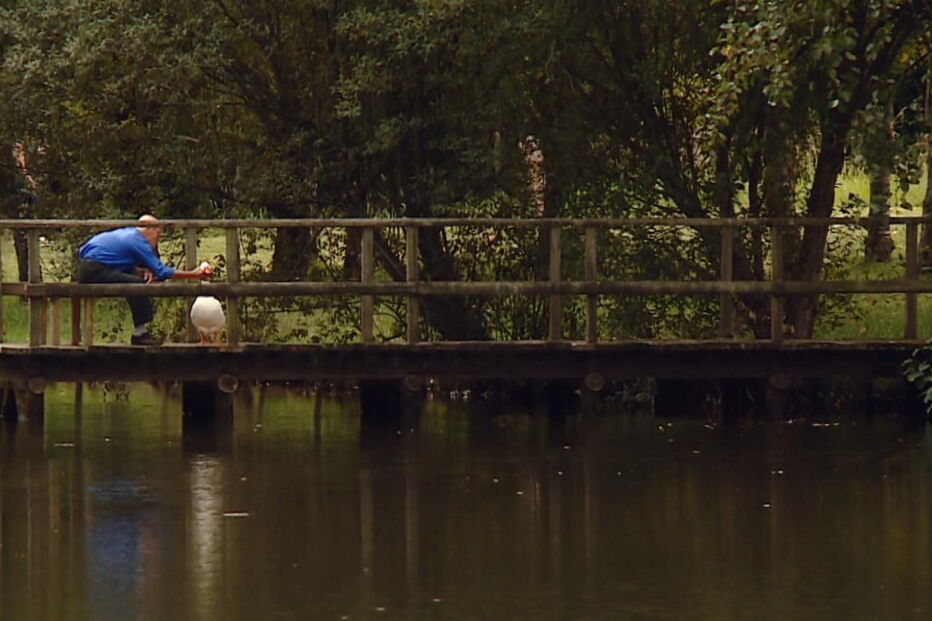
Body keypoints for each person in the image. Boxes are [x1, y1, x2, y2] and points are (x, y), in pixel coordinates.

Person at [76, 214, 210, 345]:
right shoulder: (138, 241)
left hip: (87, 267)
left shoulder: (128, 233)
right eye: (158, 233)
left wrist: (140, 271)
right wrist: (193, 274)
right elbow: (162, 271)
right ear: (148, 229)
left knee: (132, 280)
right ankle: (140, 334)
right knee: (137, 285)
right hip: (94, 270)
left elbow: (90, 252)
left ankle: (140, 332)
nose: (158, 238)